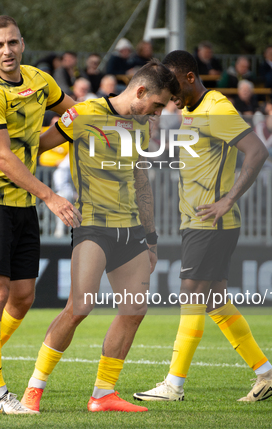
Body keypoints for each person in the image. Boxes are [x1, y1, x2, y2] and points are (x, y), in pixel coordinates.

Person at [20, 59, 176, 414]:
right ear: (140, 92)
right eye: (155, 105)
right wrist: (47, 196)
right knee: (80, 307)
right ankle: (34, 389)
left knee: (135, 309)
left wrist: (151, 237)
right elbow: (34, 150)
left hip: (131, 229)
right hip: (92, 225)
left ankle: (103, 394)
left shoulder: (140, 127)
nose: (156, 113)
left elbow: (140, 181)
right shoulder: (84, 114)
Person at [134, 50, 272, 404]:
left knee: (191, 294)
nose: (170, 92)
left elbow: (257, 151)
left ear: (190, 77)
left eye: (173, 83)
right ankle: (267, 374)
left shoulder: (217, 108)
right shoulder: (190, 111)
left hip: (211, 222)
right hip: (197, 222)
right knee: (216, 302)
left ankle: (174, 385)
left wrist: (228, 199)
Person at [0, 15, 78, 415]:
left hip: (22, 203)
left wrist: (98, 122)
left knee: (23, 298)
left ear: (22, 44)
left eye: (12, 43)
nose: (6, 51)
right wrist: (51, 197)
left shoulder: (41, 80)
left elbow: (68, 116)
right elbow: (3, 156)